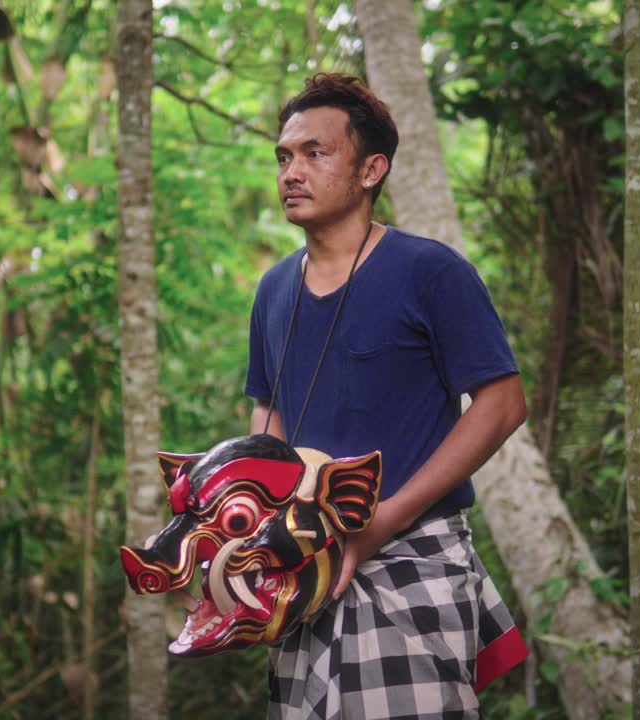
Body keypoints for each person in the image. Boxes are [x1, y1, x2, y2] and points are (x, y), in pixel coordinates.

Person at [244, 73, 529, 719]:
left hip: (412, 555)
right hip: (307, 566)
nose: (292, 172)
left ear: (372, 169)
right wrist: (255, 527)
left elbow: (504, 403)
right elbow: (271, 415)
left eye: (315, 153)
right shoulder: (273, 289)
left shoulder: (430, 271)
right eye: (284, 157)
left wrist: (388, 517)